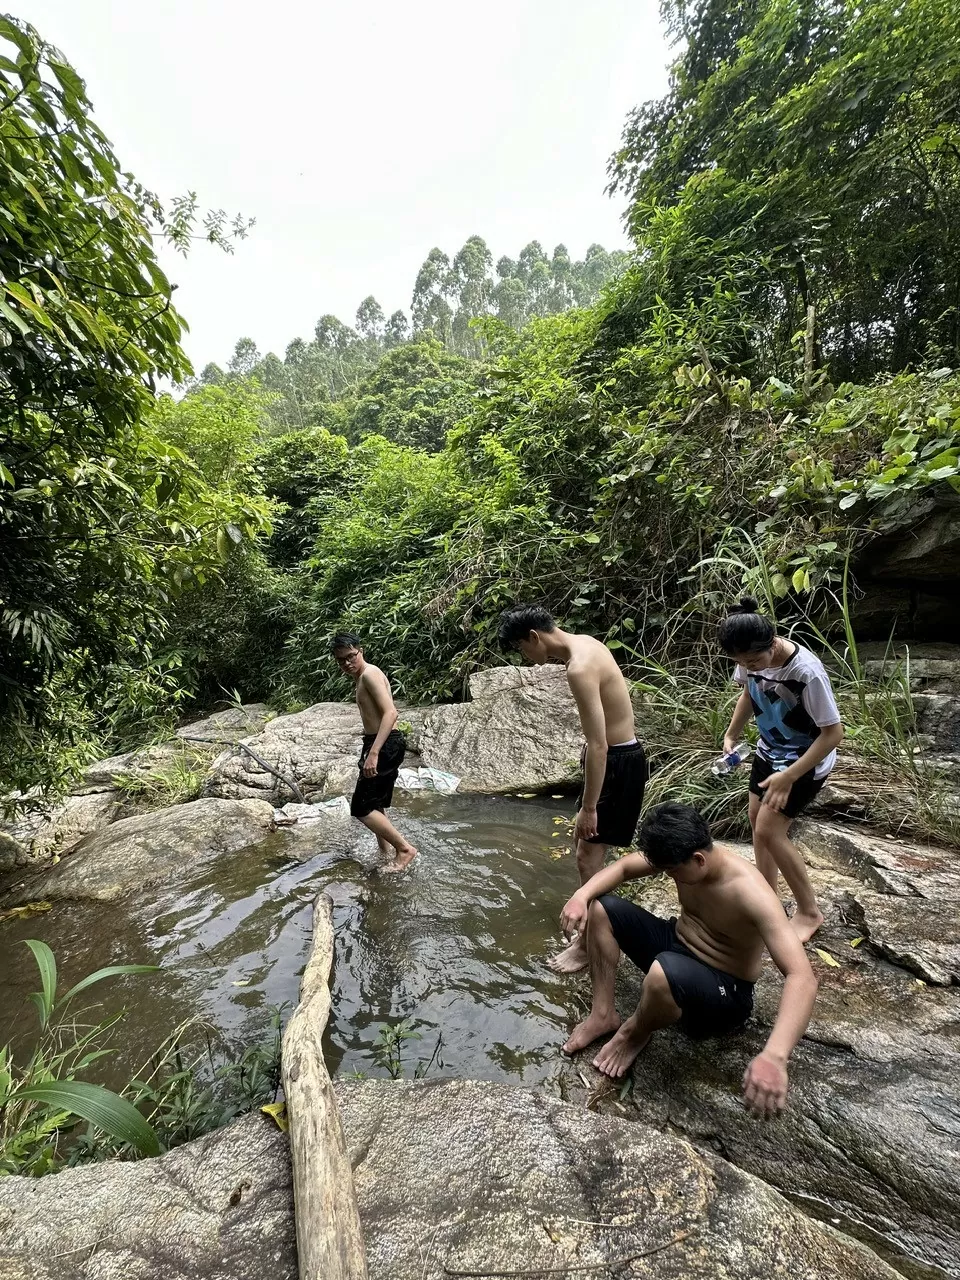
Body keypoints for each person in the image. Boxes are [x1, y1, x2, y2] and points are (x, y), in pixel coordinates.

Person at [560, 802, 818, 1117]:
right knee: (601, 909)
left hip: (724, 987)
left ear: (698, 859)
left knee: (659, 976)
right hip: (677, 945)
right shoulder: (683, 853)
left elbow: (801, 977)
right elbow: (626, 868)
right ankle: (602, 1014)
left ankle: (636, 1031)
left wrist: (775, 1056)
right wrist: (581, 896)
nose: (668, 875)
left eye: (672, 871)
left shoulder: (751, 892)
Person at [497, 604, 647, 974]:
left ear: (534, 637)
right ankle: (596, 926)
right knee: (588, 852)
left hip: (616, 763)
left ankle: (588, 944)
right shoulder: (586, 644)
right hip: (620, 758)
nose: (525, 656)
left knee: (587, 857)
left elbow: (600, 745)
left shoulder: (578, 667)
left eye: (521, 648)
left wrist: (590, 806)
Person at [719, 597, 844, 942]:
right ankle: (768, 900)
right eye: (741, 662)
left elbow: (833, 733)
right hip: (769, 751)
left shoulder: (806, 672)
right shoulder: (750, 658)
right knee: (755, 822)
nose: (749, 666)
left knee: (771, 831)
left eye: (755, 660)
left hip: (804, 760)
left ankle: (808, 912)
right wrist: (732, 732)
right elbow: (748, 691)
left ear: (773, 643)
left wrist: (790, 775)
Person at [331, 633, 418, 874]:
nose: (347, 663)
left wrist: (374, 753)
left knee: (361, 807)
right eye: (341, 660)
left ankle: (404, 850)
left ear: (361, 650)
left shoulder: (369, 674)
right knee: (376, 801)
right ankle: (385, 851)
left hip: (384, 743)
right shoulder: (361, 676)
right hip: (378, 741)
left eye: (351, 656)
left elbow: (391, 713)